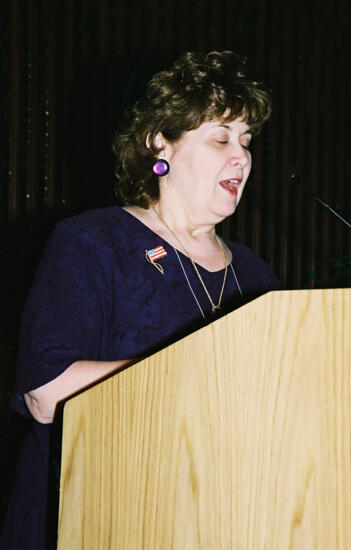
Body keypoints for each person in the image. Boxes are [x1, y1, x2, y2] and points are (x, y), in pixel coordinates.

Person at [0, 50, 280, 549]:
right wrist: (197, 377)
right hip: (94, 512)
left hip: (220, 520)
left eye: (247, 140)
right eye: (220, 138)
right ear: (160, 144)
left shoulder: (254, 275)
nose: (242, 156)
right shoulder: (94, 241)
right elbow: (45, 394)